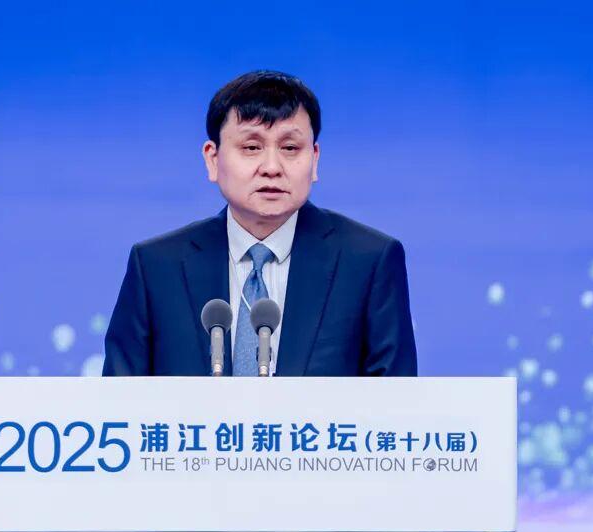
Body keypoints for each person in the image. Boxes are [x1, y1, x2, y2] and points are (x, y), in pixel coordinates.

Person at [103, 70, 417, 376]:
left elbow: (397, 400)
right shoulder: (157, 267)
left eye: (290, 148)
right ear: (213, 159)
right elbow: (118, 400)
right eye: (251, 147)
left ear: (314, 159)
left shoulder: (367, 261)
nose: (271, 167)